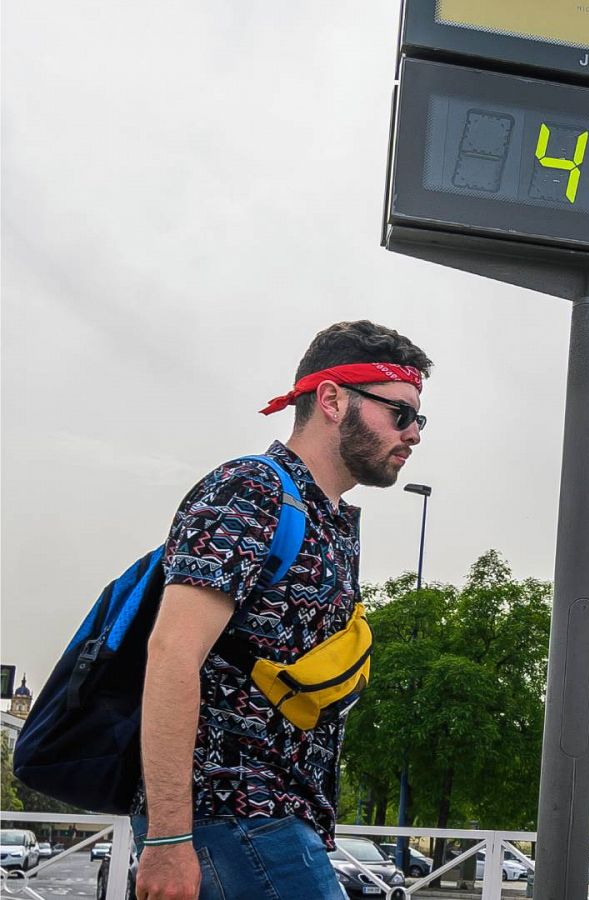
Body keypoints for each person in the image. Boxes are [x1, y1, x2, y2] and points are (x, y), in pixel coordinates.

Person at [135, 321, 433, 900]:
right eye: (400, 413)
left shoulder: (332, 521)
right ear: (331, 399)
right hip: (233, 815)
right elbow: (171, 653)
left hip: (279, 817)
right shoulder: (250, 490)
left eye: (420, 418)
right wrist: (170, 839)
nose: (415, 433)